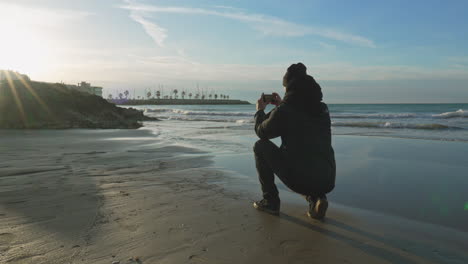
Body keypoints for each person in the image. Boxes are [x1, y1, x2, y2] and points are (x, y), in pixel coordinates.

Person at [252, 62, 336, 219]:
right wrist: (281, 105)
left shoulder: (285, 110)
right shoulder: (323, 109)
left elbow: (262, 132)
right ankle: (316, 199)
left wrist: (260, 111)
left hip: (301, 178)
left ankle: (270, 201)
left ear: (290, 87)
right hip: (327, 178)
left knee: (260, 146)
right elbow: (297, 116)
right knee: (309, 158)